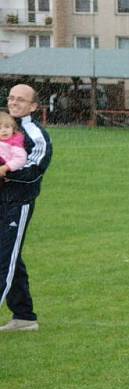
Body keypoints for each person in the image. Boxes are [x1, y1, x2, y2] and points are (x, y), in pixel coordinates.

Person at [0, 84, 53, 332]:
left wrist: (5, 174)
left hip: (17, 204)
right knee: (11, 257)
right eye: (11, 98)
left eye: (21, 100)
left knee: (4, 260)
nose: (14, 102)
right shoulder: (4, 127)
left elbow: (33, 172)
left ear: (33, 106)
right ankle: (24, 316)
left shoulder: (35, 134)